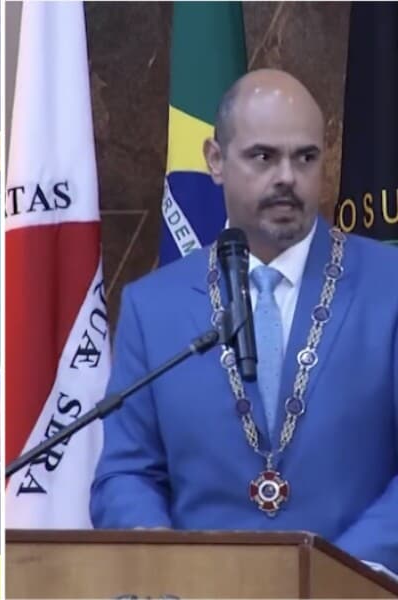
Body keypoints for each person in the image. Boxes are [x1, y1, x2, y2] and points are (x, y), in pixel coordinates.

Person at [90, 69, 398, 573]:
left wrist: (339, 574)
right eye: (263, 156)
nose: (286, 178)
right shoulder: (154, 306)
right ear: (215, 160)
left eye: (305, 157)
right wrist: (158, 556)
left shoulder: (389, 287)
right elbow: (127, 472)